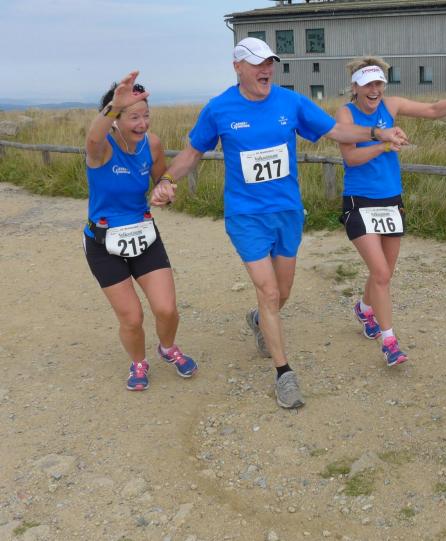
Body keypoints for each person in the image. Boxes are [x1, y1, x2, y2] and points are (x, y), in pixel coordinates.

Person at [150, 37, 407, 409]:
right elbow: (192, 154)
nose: (266, 69)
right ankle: (284, 374)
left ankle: (259, 319)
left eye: (269, 62)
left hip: (287, 212)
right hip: (245, 216)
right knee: (269, 292)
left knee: (282, 293)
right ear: (237, 67)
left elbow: (336, 132)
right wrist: (167, 181)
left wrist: (377, 133)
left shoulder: (291, 102)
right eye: (257, 63)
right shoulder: (219, 108)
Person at [335, 57, 446, 366]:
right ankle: (389, 342)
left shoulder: (391, 105)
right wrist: (383, 144)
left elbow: (433, 110)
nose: (374, 90)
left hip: (390, 199)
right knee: (381, 273)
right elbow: (351, 158)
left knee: (384, 272)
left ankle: (365, 309)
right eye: (368, 84)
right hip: (360, 200)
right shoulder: (346, 113)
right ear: (355, 87)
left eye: (379, 83)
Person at [84, 71, 198, 391]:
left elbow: (162, 180)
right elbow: (92, 138)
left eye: (146, 115)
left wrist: (165, 191)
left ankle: (167, 347)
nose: (143, 123)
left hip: (143, 234)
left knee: (167, 309)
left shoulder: (153, 144)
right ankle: (138, 362)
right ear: (116, 119)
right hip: (103, 242)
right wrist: (112, 107)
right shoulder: (102, 148)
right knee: (132, 318)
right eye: (134, 117)